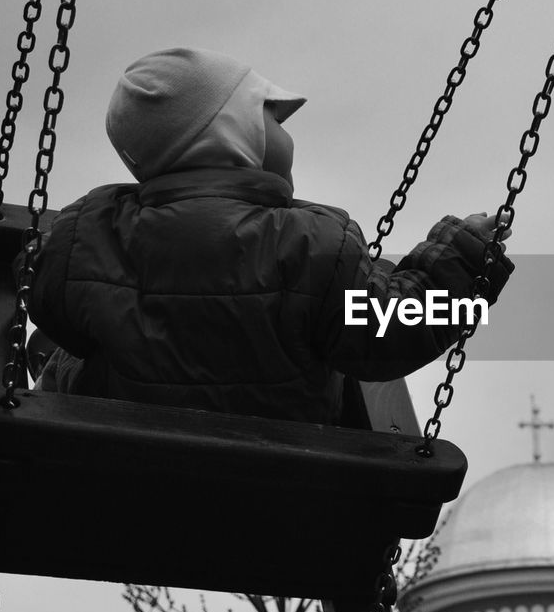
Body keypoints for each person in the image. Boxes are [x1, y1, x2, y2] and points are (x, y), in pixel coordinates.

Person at [27, 46, 512, 425]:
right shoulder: (313, 243)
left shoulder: (84, 236)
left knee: (71, 350)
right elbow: (394, 331)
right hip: (279, 509)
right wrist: (468, 258)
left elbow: (48, 299)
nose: (287, 133)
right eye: (274, 118)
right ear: (234, 134)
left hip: (107, 490)